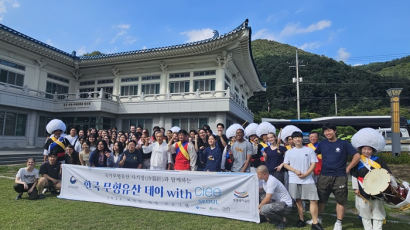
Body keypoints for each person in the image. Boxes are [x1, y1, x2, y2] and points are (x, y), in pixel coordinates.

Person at [315, 125, 360, 230]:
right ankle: (317, 218)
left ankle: (338, 222)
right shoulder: (322, 144)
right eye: (325, 131)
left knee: (341, 201)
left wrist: (348, 167)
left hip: (340, 176)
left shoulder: (344, 144)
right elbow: (313, 154)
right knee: (321, 199)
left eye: (329, 130)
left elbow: (357, 156)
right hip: (324, 176)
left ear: (335, 131)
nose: (327, 133)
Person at [351, 128, 390, 230]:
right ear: (361, 149)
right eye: (364, 149)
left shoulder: (379, 160)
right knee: (364, 212)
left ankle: (377, 228)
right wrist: (356, 188)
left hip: (378, 190)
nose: (366, 151)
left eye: (369, 149)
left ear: (373, 150)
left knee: (378, 210)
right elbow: (354, 175)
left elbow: (386, 173)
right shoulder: (358, 160)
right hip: (362, 189)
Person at [283, 131, 323, 230]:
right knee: (298, 200)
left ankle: (315, 222)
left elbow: (313, 163)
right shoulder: (289, 152)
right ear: (292, 140)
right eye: (295, 138)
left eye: (299, 137)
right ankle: (301, 219)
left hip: (308, 179)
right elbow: (285, 164)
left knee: (313, 200)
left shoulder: (309, 151)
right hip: (294, 179)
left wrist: (306, 173)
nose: (297, 139)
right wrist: (295, 171)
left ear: (302, 138)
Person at [257, 165, 293, 229]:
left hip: (286, 205)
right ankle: (266, 217)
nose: (257, 176)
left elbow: (267, 199)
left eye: (258, 174)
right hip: (277, 202)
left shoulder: (271, 181)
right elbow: (260, 190)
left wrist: (259, 207)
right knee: (262, 196)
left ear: (264, 174)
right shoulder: (264, 180)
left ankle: (282, 221)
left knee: (264, 209)